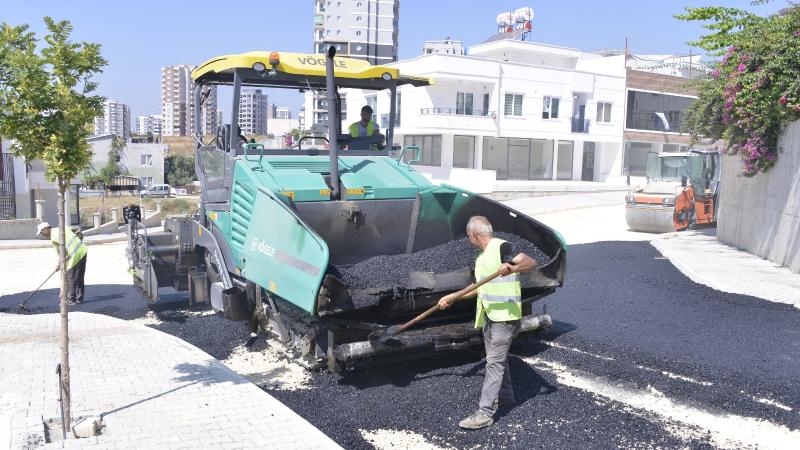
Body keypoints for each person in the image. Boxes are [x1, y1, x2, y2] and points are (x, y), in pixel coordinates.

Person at [438, 216, 538, 430]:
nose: (468, 240)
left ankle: (485, 413)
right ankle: (507, 396)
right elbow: (477, 288)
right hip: (490, 316)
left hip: (506, 317)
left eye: (468, 236)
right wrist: (452, 297)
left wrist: (511, 267)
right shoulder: (482, 258)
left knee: (493, 362)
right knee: (496, 360)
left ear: (473, 234)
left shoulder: (502, 246)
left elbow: (530, 262)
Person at [37, 222, 88, 305]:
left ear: (46, 228)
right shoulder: (62, 228)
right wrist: (79, 242)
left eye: (42, 232)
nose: (42, 234)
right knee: (79, 276)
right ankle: (80, 298)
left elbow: (61, 253)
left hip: (74, 256)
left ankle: (71, 300)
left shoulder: (54, 238)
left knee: (71, 277)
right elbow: (77, 230)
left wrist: (59, 264)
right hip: (82, 250)